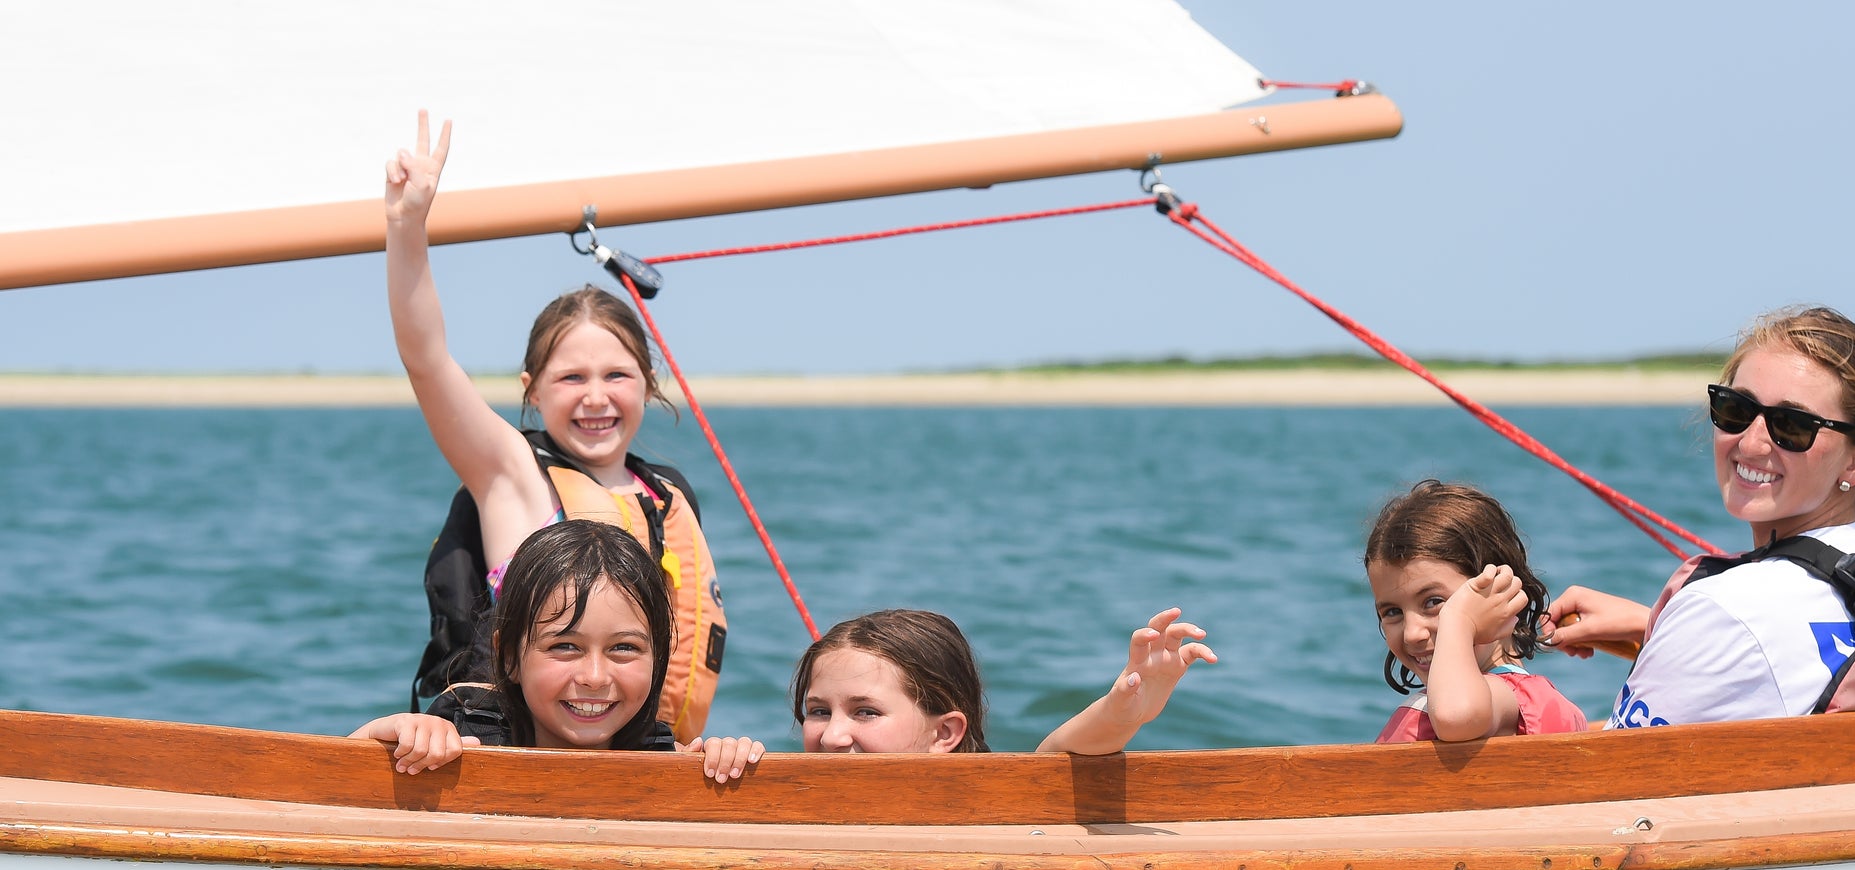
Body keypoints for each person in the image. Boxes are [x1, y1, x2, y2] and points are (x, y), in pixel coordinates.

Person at [386, 111, 727, 737]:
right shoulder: (511, 475)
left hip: (643, 753)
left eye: (617, 376)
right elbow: (426, 360)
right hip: (512, 747)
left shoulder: (667, 498)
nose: (596, 397)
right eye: (571, 379)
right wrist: (407, 226)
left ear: (647, 387)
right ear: (533, 392)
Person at [1545, 306, 1855, 727]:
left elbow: (1607, 778)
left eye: (1792, 425)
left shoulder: (1724, 612)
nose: (1751, 444)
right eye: (1736, 410)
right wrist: (1655, 630)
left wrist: (1496, 663)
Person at [352, 523, 761, 783]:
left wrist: (728, 763)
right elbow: (316, 784)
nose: (595, 676)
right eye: (565, 646)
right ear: (509, 656)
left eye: (624, 648)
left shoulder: (667, 761)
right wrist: (383, 736)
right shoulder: (459, 738)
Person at [789, 607, 1214, 755]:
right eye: (819, 712)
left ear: (944, 732)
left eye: (865, 712)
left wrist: (1123, 714)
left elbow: (1059, 755)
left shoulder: (989, 796)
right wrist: (726, 763)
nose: (832, 737)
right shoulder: (790, 789)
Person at [1365, 480, 1587, 743]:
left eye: (1433, 601)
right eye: (1392, 612)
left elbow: (1457, 716)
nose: (1412, 633)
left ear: (1500, 592)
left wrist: (1460, 621)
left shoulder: (1505, 699)